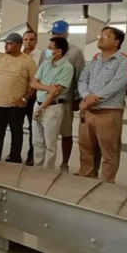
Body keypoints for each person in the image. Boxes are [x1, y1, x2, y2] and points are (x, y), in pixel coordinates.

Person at [77, 26, 127, 183]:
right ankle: (86, 177)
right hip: (89, 112)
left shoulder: (124, 63)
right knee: (86, 148)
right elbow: (82, 80)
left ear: (116, 42)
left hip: (108, 114)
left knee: (109, 152)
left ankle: (107, 183)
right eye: (100, 35)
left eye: (107, 36)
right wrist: (86, 96)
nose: (101, 38)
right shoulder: (94, 61)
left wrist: (94, 98)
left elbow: (116, 85)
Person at [0, 33, 37, 163]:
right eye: (5, 43)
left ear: (19, 45)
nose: (6, 46)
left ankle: (14, 157)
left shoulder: (28, 61)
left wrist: (24, 99)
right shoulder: (0, 58)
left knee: (16, 133)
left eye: (10, 43)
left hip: (15, 105)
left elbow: (34, 84)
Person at [29, 36, 74, 169]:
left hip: (52, 108)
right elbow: (33, 83)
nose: (47, 50)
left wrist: (41, 108)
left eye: (50, 48)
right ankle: (37, 167)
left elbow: (56, 92)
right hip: (38, 104)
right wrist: (47, 87)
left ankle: (47, 171)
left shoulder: (67, 67)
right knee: (37, 141)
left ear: (58, 51)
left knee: (50, 143)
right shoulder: (46, 64)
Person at [49, 20, 86, 172]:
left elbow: (80, 76)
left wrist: (78, 98)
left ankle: (65, 163)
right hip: (47, 99)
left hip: (65, 100)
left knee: (66, 133)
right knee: (47, 133)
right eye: (54, 33)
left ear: (67, 34)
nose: (56, 36)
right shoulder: (48, 51)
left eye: (60, 34)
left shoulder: (75, 52)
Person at [21, 28, 45, 165]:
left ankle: (32, 155)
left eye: (31, 39)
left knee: (33, 128)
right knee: (16, 126)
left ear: (36, 41)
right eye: (26, 39)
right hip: (18, 95)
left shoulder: (41, 56)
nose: (28, 42)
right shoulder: (18, 54)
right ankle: (15, 153)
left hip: (34, 96)